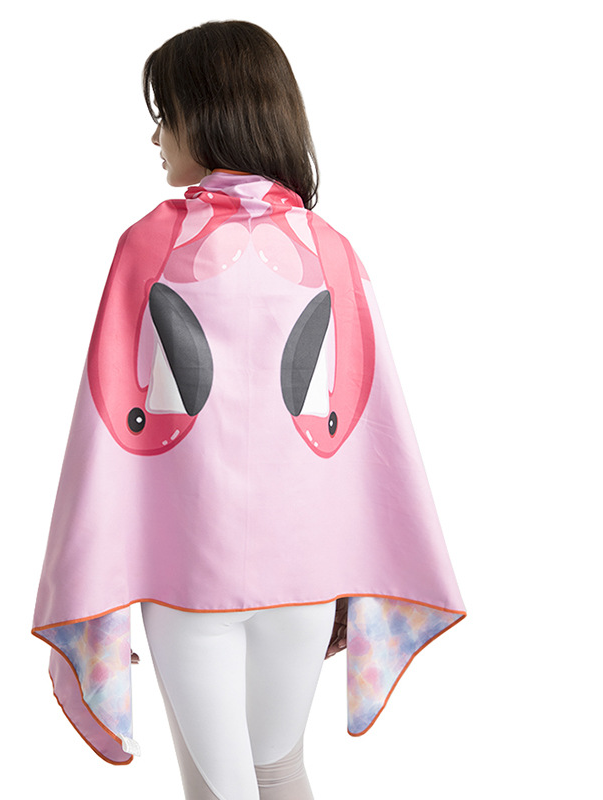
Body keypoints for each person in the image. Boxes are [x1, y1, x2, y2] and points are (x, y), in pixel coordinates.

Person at [31, 18, 466, 800]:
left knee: (222, 787)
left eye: (165, 113)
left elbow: (112, 421)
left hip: (190, 570)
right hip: (307, 577)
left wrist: (95, 560)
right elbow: (367, 423)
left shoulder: (150, 246)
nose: (156, 135)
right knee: (278, 767)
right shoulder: (329, 248)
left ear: (209, 114)